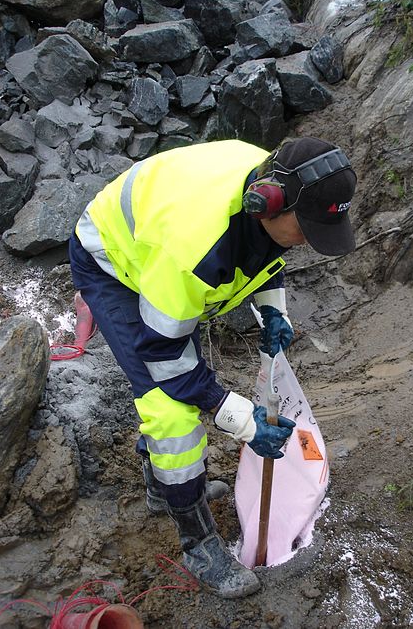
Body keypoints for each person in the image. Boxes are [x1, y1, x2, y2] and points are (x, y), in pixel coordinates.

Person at [69, 136, 357, 598]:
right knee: (170, 410)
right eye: (305, 228)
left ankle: (160, 487)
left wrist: (273, 310)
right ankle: (198, 543)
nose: (306, 241)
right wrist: (242, 421)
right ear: (269, 205)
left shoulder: (271, 185)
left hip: (166, 253)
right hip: (113, 261)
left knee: (181, 377)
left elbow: (266, 255)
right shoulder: (196, 247)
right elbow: (164, 355)